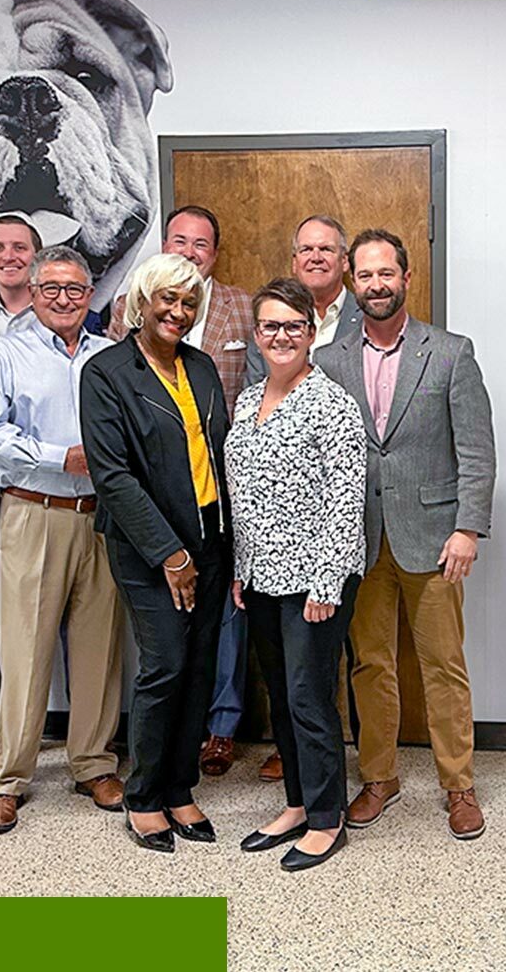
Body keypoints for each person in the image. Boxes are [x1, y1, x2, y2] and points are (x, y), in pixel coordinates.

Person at [315, 229, 497, 841]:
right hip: (358, 541)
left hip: (434, 538)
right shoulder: (329, 361)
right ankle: (379, 778)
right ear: (352, 283)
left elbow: (476, 451)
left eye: (385, 273)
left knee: (443, 666)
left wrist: (467, 528)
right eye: (365, 276)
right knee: (370, 666)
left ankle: (458, 785)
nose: (376, 285)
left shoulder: (450, 353)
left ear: (406, 278)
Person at [0, 246, 126, 835]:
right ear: (32, 294)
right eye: (51, 288)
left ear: (91, 296)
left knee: (99, 648)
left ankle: (94, 764)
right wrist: (60, 457)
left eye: (75, 289)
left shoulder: (109, 356)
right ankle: (8, 781)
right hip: (34, 512)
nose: (64, 299)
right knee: (25, 651)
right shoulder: (4, 353)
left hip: (102, 518)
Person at [79, 253, 231, 853]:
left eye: (189, 302)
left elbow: (217, 454)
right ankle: (143, 796)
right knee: (165, 664)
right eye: (168, 299)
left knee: (199, 666)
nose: (179, 311)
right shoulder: (106, 373)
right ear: (142, 303)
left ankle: (179, 787)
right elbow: (113, 477)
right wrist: (170, 554)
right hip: (150, 548)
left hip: (212, 538)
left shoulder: (201, 367)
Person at [227, 278, 366, 872]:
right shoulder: (246, 401)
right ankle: (296, 803)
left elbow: (346, 500)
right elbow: (241, 493)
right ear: (256, 335)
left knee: (309, 698)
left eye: (293, 326)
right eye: (270, 326)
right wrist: (241, 568)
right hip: (261, 575)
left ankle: (327, 818)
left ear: (311, 333)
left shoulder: (332, 404)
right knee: (281, 696)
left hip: (314, 580)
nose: (281, 336)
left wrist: (327, 583)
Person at [147, 205, 254, 778]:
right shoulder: (133, 306)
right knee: (162, 611)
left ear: (215, 254)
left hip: (226, 488)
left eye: (201, 245)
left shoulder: (243, 306)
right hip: (160, 490)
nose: (189, 252)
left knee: (226, 611)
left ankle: (221, 725)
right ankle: (168, 724)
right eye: (179, 241)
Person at [243, 214, 363, 385]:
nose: (316, 258)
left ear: (344, 261)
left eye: (326, 249)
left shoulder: (367, 319)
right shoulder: (268, 321)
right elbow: (256, 391)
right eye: (306, 249)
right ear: (294, 262)